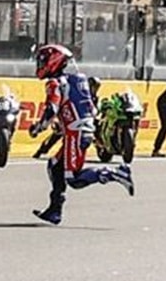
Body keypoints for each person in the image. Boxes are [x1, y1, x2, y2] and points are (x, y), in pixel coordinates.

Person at [27, 45, 133, 225]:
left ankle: (116, 173)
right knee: (55, 166)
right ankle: (55, 210)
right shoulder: (79, 80)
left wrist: (38, 128)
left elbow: (51, 109)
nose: (40, 65)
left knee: (74, 179)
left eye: (43, 61)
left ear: (54, 61)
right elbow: (90, 108)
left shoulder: (55, 83)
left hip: (76, 133)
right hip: (80, 130)